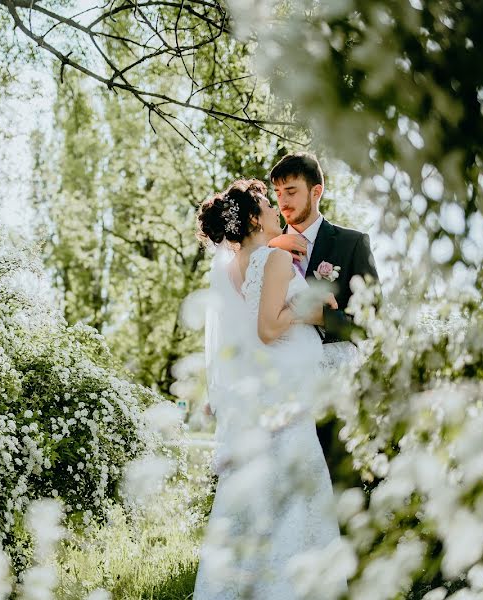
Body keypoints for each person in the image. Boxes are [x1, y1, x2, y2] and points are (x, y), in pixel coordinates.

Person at [193, 179, 345, 600]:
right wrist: (311, 309)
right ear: (256, 218)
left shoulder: (232, 265)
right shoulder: (274, 259)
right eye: (266, 203)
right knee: (296, 501)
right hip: (286, 401)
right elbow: (267, 328)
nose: (276, 207)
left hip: (257, 401)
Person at [266, 151, 379, 475]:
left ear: (316, 191)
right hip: (278, 389)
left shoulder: (352, 244)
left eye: (291, 191)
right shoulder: (267, 249)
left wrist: (320, 317)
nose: (282, 201)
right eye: (277, 193)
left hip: (332, 392)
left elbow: (371, 323)